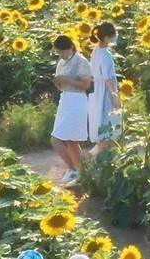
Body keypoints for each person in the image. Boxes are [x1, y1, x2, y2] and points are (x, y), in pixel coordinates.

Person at [50, 35, 92, 184]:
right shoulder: (61, 63)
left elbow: (86, 85)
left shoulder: (81, 61)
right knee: (72, 142)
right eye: (58, 53)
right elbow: (61, 86)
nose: (61, 55)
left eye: (62, 52)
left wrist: (66, 80)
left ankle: (73, 169)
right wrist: (57, 82)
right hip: (65, 99)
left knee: (56, 140)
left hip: (77, 101)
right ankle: (83, 174)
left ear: (70, 48)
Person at [87, 22, 122, 155]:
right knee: (109, 128)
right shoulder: (105, 54)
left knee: (102, 126)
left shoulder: (95, 51)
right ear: (107, 37)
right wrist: (115, 96)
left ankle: (95, 155)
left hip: (97, 91)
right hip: (105, 93)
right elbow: (108, 77)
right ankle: (95, 157)